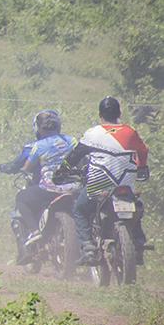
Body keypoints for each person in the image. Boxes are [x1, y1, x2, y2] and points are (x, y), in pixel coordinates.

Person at [58, 97, 149, 266]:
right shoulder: (130, 131)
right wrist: (142, 167)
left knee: (79, 209)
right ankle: (138, 242)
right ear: (119, 114)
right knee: (136, 207)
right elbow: (143, 150)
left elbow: (75, 156)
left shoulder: (93, 133)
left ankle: (88, 248)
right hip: (126, 185)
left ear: (100, 115)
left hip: (99, 185)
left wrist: (61, 171)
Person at [0, 109, 77, 264]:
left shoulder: (36, 146)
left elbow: (24, 167)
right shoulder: (72, 141)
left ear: (37, 128)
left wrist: (5, 168)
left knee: (21, 198)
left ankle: (34, 231)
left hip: (49, 189)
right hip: (75, 187)